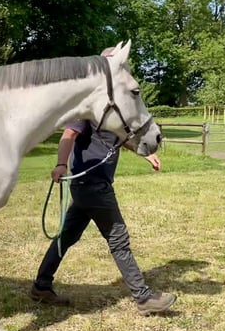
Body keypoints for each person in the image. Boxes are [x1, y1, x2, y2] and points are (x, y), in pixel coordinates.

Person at [29, 118, 177, 316]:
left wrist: (146, 154)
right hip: (93, 187)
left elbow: (120, 139)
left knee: (66, 237)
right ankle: (144, 297)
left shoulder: (109, 114)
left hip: (89, 187)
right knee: (118, 239)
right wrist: (61, 164)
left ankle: (41, 286)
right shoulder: (87, 112)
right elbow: (68, 134)